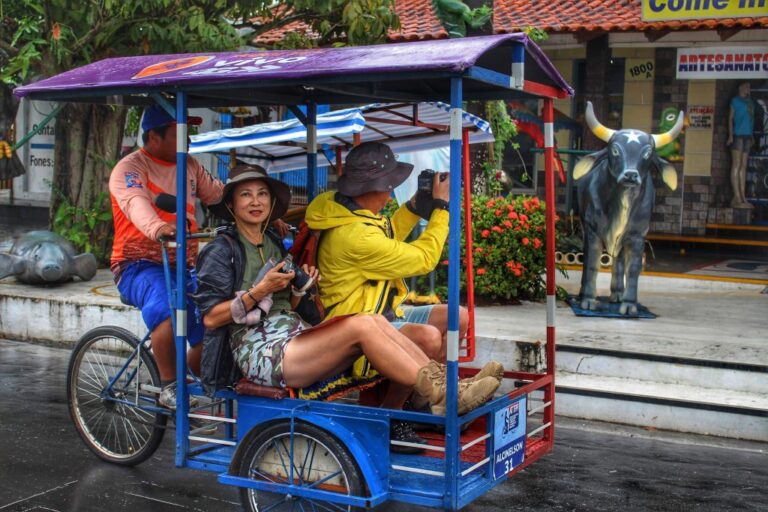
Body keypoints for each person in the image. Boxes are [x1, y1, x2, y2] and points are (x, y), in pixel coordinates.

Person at [192, 165, 501, 450]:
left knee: (371, 320)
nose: (255, 201)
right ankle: (446, 396)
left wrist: (300, 288)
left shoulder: (273, 240)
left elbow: (291, 306)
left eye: (262, 194)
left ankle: (446, 388)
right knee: (363, 323)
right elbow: (211, 318)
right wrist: (260, 290)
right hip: (262, 352)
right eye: (245, 195)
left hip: (295, 335)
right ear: (231, 204)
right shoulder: (220, 250)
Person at [109, 105, 223, 409]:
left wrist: (259, 214)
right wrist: (159, 227)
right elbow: (136, 203)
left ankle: (190, 379)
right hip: (137, 264)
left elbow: (219, 196)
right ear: (154, 136)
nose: (188, 140)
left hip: (183, 263)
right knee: (168, 309)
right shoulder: (130, 168)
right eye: (179, 133)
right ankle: (169, 385)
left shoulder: (191, 166)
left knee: (214, 321)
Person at [727, 82, 755, 209]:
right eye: (746, 86)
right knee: (737, 165)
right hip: (738, 134)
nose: (748, 88)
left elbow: (751, 119)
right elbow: (730, 118)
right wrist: (730, 135)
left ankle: (743, 196)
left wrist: (752, 135)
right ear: (740, 87)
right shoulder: (735, 101)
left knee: (744, 166)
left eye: (749, 86)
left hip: (747, 135)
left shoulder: (750, 101)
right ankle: (736, 196)